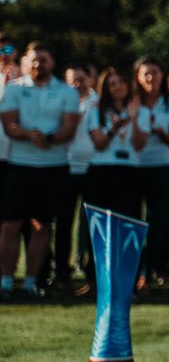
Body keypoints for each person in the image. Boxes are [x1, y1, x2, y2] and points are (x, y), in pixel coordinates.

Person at [0, 42, 81, 300]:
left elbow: (69, 128)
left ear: (52, 62)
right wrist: (29, 134)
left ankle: (31, 283)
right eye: (34, 60)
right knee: (10, 225)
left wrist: (48, 137)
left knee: (42, 226)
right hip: (20, 165)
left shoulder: (67, 92)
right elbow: (9, 124)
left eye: (43, 60)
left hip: (53, 167)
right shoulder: (14, 89)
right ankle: (6, 281)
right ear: (27, 62)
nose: (38, 65)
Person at [132, 56, 169, 288]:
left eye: (155, 73)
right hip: (134, 167)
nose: (150, 78)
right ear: (138, 77)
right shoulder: (131, 103)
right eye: (145, 74)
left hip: (161, 168)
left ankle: (151, 270)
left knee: (158, 222)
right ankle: (136, 269)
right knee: (134, 221)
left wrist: (161, 132)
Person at [85, 68, 145, 219]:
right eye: (112, 84)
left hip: (129, 170)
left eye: (121, 82)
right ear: (106, 89)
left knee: (128, 221)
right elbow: (99, 144)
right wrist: (113, 130)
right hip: (102, 171)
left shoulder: (140, 110)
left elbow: (139, 145)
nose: (118, 86)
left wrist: (133, 118)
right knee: (102, 222)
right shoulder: (96, 111)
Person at [59, 62, 98, 292]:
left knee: (91, 222)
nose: (76, 83)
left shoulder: (99, 102)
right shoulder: (63, 102)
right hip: (66, 166)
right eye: (71, 79)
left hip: (92, 168)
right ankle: (62, 271)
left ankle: (91, 272)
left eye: (80, 79)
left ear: (90, 79)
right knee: (64, 222)